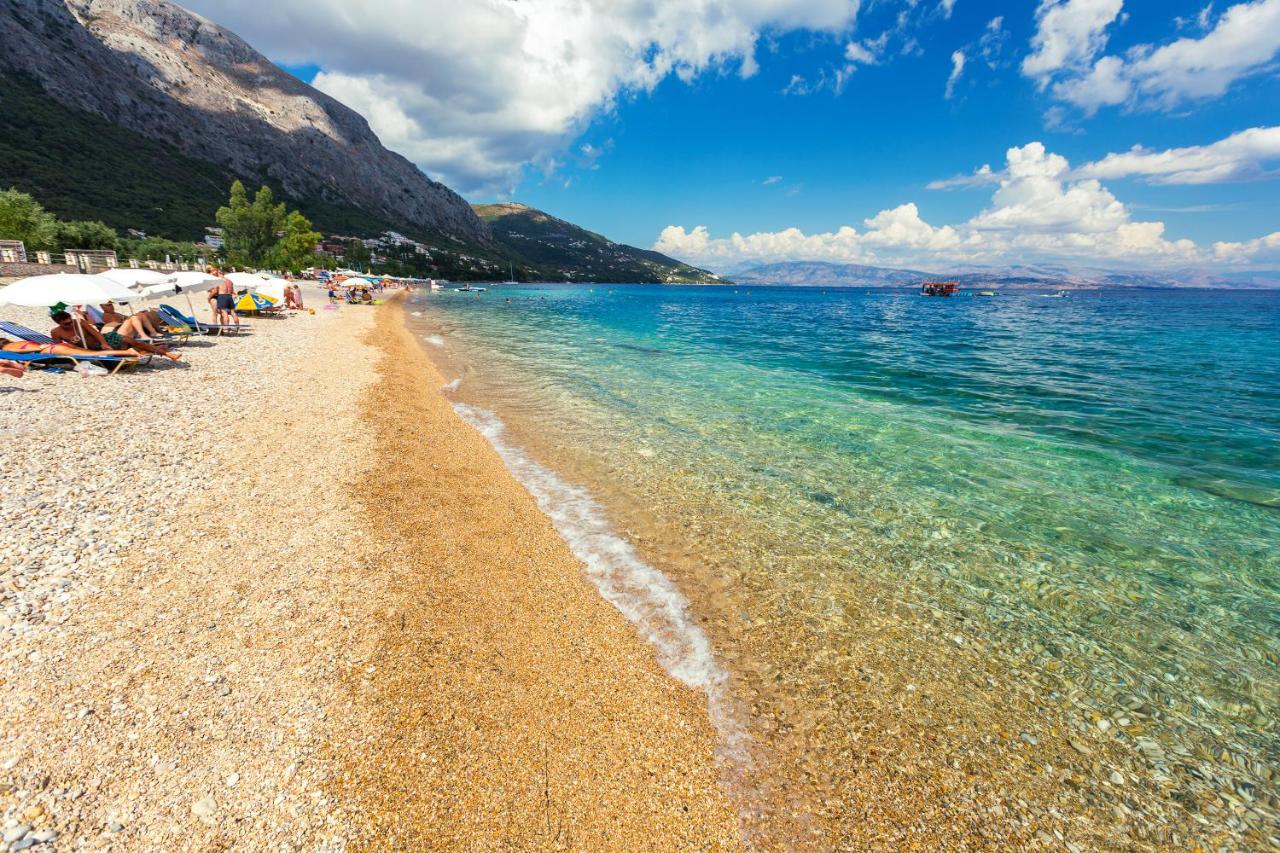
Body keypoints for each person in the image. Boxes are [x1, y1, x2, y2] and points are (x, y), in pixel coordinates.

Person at [49, 311, 182, 363]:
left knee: (131, 341)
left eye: (69, 321)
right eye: (65, 324)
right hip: (89, 350)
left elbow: (96, 333)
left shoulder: (79, 322)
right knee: (129, 347)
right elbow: (60, 347)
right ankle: (155, 349)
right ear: (58, 323)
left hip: (104, 340)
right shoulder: (56, 332)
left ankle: (167, 354)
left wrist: (104, 343)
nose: (69, 325)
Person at [3, 336, 141, 360]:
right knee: (93, 353)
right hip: (57, 346)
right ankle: (124, 353)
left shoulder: (7, 348)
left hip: (52, 350)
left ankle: (127, 351)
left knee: (95, 354)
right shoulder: (16, 341)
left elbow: (19, 351)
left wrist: (39, 349)